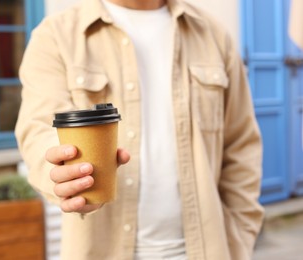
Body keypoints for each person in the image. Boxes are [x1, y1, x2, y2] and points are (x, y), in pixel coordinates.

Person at [15, 0, 264, 259]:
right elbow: (39, 130)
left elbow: (242, 146)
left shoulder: (213, 34)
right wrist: (64, 174)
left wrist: (239, 241)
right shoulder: (56, 35)